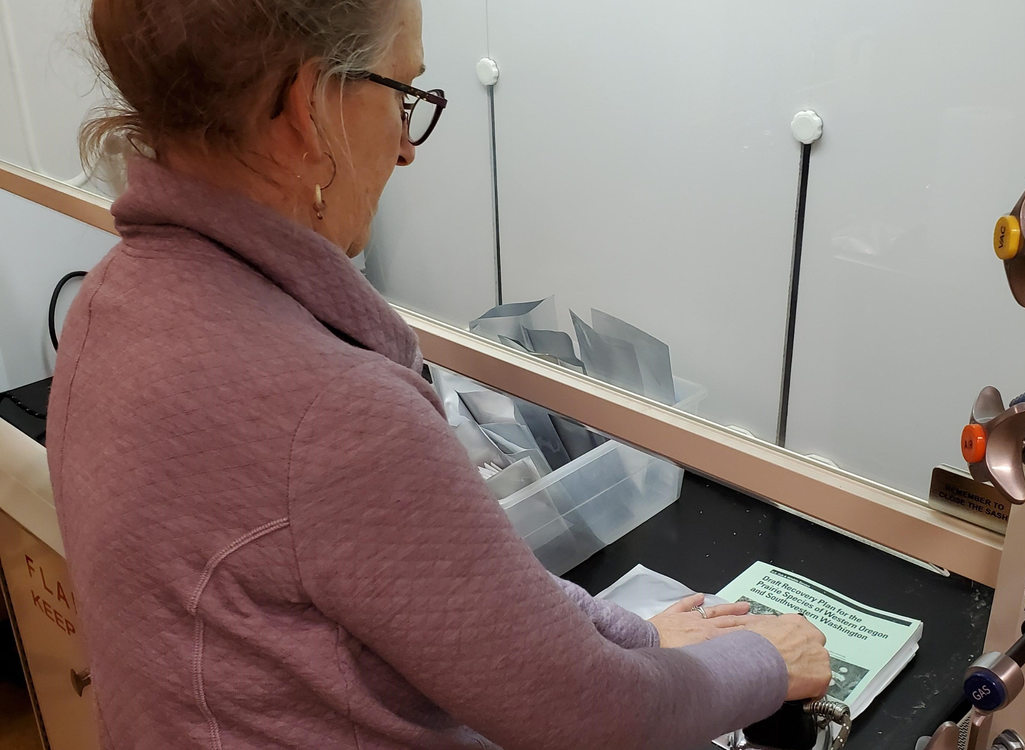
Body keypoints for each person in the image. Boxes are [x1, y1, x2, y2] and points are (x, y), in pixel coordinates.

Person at [47, 1, 831, 748]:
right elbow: (593, 714)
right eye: (401, 94)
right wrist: (770, 661)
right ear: (304, 110)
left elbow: (426, 590)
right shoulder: (332, 411)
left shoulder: (111, 304)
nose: (405, 147)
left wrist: (639, 632)